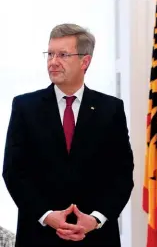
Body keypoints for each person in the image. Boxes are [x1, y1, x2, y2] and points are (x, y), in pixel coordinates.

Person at [2, 23, 134, 247]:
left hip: (96, 237)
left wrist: (95, 218)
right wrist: (46, 215)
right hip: (39, 235)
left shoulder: (111, 109)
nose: (53, 61)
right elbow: (14, 171)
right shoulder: (25, 107)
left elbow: (121, 174)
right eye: (50, 54)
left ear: (85, 61)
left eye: (63, 55)